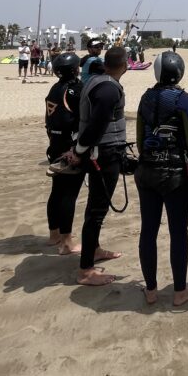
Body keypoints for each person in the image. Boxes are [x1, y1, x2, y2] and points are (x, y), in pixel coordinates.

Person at [134, 51, 188, 306]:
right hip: (176, 173)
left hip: (146, 172)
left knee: (148, 231)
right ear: (180, 73)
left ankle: (151, 290)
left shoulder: (145, 97)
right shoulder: (182, 98)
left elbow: (141, 136)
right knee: (178, 233)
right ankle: (179, 292)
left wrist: (148, 159)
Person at [62, 46, 130, 286]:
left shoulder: (96, 80)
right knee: (96, 212)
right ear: (125, 64)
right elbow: (97, 124)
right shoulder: (108, 88)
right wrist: (79, 150)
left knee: (96, 208)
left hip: (100, 153)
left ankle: (95, 250)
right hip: (103, 155)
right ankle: (86, 271)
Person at [44, 51, 85, 254]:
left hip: (54, 145)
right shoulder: (76, 89)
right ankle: (67, 242)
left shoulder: (54, 88)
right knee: (69, 194)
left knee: (57, 191)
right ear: (76, 69)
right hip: (70, 148)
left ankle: (54, 234)